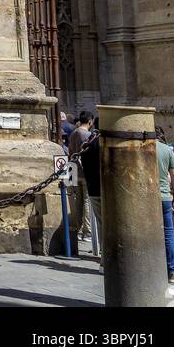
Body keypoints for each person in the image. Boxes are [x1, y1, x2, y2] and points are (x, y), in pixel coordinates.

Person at [157, 129, 174, 281]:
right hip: (165, 197)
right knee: (169, 233)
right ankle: (172, 271)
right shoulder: (167, 150)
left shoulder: (141, 148)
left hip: (146, 198)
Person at [67, 110, 95, 245]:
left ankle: (77, 230)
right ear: (90, 121)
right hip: (85, 172)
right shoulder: (88, 135)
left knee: (77, 201)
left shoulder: (73, 133)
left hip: (73, 170)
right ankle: (87, 231)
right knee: (86, 202)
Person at [77, 118, 101, 257]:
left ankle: (104, 257)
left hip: (93, 187)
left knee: (101, 223)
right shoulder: (101, 142)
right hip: (106, 189)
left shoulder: (88, 143)